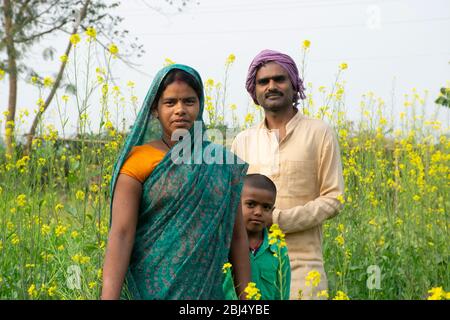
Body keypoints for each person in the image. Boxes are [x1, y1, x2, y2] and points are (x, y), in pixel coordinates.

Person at [101, 64, 251, 300]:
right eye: (170, 103)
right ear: (155, 109)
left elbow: (238, 237)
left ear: (200, 105)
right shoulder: (138, 162)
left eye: (189, 101)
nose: (180, 110)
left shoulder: (220, 164)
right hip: (149, 290)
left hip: (207, 294)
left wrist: (247, 298)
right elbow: (120, 234)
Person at [231, 49, 344, 300]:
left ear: (294, 86)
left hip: (303, 266)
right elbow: (232, 203)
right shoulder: (243, 141)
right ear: (255, 91)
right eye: (263, 81)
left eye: (279, 79)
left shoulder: (319, 133)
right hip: (250, 265)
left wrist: (279, 220)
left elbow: (334, 198)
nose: (271, 86)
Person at [223, 174, 291, 300]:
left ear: (272, 210)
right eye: (251, 204)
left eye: (266, 207)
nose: (258, 212)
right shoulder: (225, 246)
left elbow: (282, 292)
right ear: (236, 205)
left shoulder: (278, 249)